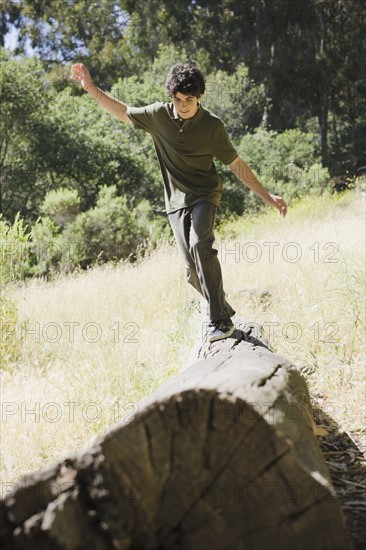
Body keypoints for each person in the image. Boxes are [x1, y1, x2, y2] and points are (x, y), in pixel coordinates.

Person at [70, 62, 287, 342]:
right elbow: (123, 111)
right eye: (177, 99)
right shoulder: (160, 115)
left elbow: (236, 164)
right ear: (170, 96)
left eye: (189, 100)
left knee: (200, 244)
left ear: (200, 98)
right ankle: (224, 309)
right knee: (190, 271)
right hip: (175, 202)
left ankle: (220, 321)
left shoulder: (212, 126)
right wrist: (90, 87)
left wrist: (268, 197)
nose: (182, 105)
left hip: (205, 195)